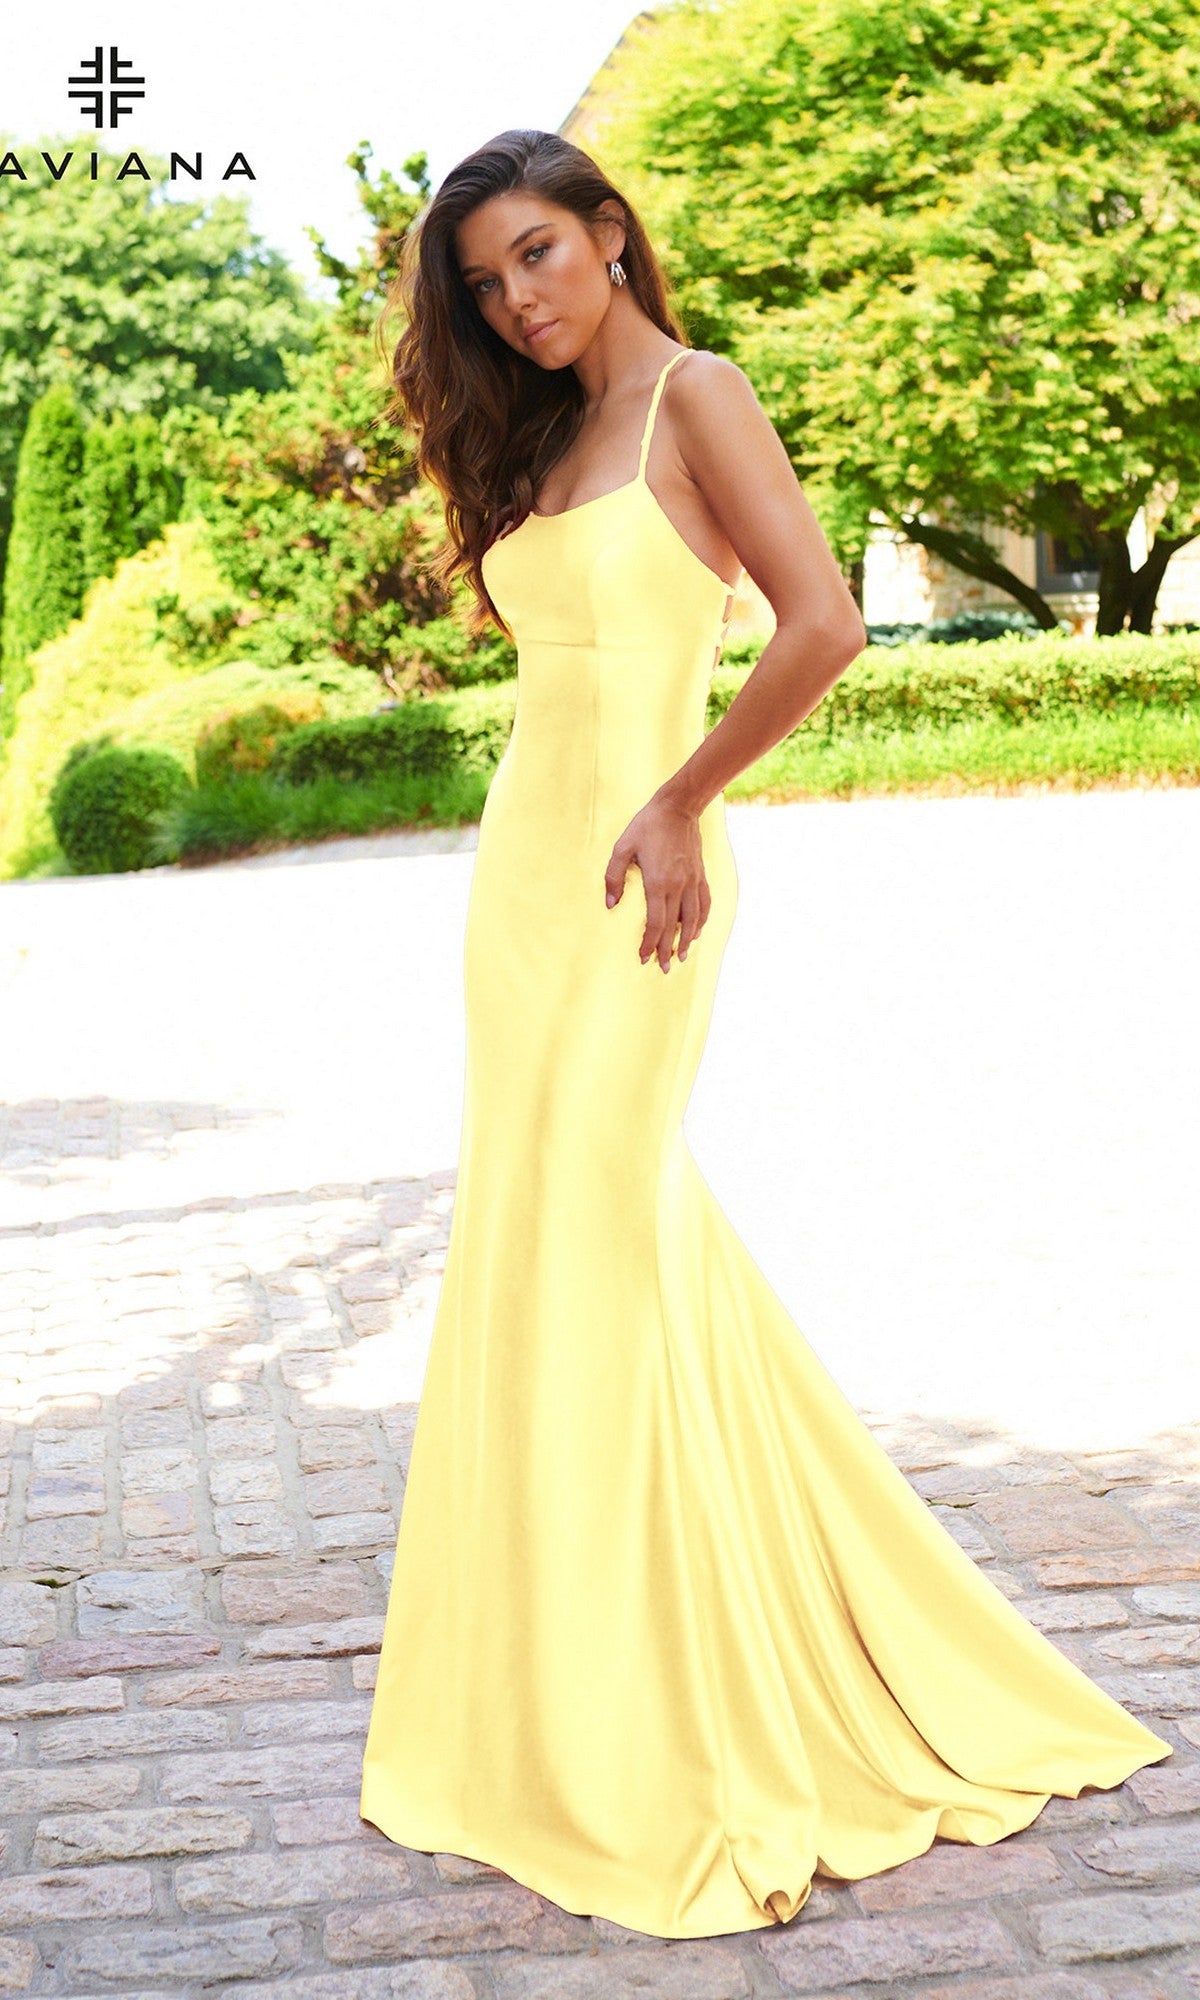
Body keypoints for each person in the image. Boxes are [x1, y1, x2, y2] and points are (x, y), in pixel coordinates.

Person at [358, 128, 1171, 1941]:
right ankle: (550, 1699)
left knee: (604, 1241)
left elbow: (821, 628)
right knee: (563, 1249)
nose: (520, 300)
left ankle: (666, 1698)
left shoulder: (692, 396)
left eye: (540, 256)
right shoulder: (551, 431)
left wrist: (678, 802)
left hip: (649, 869)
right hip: (522, 884)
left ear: (610, 233)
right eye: (488, 283)